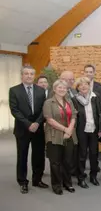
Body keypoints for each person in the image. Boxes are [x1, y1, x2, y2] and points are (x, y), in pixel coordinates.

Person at [9, 66, 48, 194]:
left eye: (32, 74)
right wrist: (28, 124)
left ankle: (37, 180)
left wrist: (37, 122)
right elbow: (14, 110)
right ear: (22, 75)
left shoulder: (41, 91)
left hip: (38, 128)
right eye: (26, 74)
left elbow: (44, 109)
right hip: (22, 129)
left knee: (38, 155)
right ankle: (23, 182)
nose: (29, 76)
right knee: (22, 156)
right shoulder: (14, 90)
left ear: (34, 76)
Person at [43, 79, 78, 195]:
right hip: (54, 135)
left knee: (67, 161)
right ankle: (57, 185)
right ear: (54, 89)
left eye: (64, 88)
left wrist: (70, 129)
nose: (62, 90)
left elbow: (73, 115)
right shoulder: (49, 102)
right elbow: (49, 120)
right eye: (60, 87)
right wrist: (65, 129)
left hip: (69, 134)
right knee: (55, 162)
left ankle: (67, 183)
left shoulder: (69, 101)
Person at [73, 77, 101, 188]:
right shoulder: (74, 99)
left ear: (89, 85)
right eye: (81, 85)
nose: (84, 86)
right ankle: (81, 178)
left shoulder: (95, 97)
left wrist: (100, 129)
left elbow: (100, 114)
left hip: (94, 130)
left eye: (86, 84)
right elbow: (74, 117)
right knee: (82, 155)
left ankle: (93, 176)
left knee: (94, 154)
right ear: (78, 88)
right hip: (81, 131)